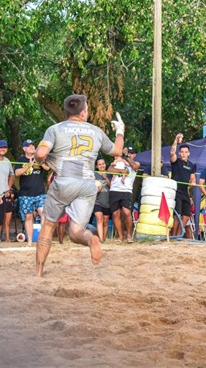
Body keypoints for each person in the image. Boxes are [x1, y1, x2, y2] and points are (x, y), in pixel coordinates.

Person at [33, 94, 124, 277]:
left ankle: (38, 272)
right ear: (83, 113)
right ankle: (91, 239)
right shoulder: (96, 131)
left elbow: (40, 154)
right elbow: (117, 151)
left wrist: (46, 159)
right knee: (75, 232)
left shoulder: (55, 129)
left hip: (64, 181)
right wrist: (120, 131)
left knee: (48, 226)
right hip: (87, 184)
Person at [15, 139, 50, 245]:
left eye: (33, 146)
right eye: (29, 146)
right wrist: (28, 166)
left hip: (40, 192)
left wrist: (39, 161)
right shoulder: (20, 159)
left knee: (43, 213)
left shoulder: (39, 158)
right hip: (26, 194)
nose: (32, 147)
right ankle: (30, 242)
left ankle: (43, 240)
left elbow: (48, 168)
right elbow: (17, 173)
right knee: (28, 217)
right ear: (24, 148)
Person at [108, 149, 139, 242]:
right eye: (128, 153)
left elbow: (134, 166)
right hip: (114, 190)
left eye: (131, 153)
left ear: (134, 155)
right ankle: (120, 236)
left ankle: (129, 235)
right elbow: (110, 169)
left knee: (126, 212)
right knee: (115, 213)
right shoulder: (117, 162)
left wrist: (126, 157)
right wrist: (122, 170)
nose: (129, 155)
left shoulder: (135, 163)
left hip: (126, 190)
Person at [169, 134, 196, 239]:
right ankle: (174, 236)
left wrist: (192, 183)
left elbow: (193, 178)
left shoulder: (191, 165)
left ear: (188, 153)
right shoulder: (176, 161)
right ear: (179, 153)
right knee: (177, 216)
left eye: (186, 152)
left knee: (186, 216)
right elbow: (172, 153)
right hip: (176, 191)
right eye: (182, 152)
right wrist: (175, 140)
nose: (184, 154)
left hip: (185, 192)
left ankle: (179, 235)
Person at [92, 157, 112, 242]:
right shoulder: (94, 174)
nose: (102, 166)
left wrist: (105, 177)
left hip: (107, 202)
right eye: (99, 164)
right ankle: (101, 240)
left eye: (103, 164)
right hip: (97, 202)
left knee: (105, 221)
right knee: (99, 218)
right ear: (96, 166)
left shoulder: (109, 174)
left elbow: (110, 186)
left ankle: (103, 239)